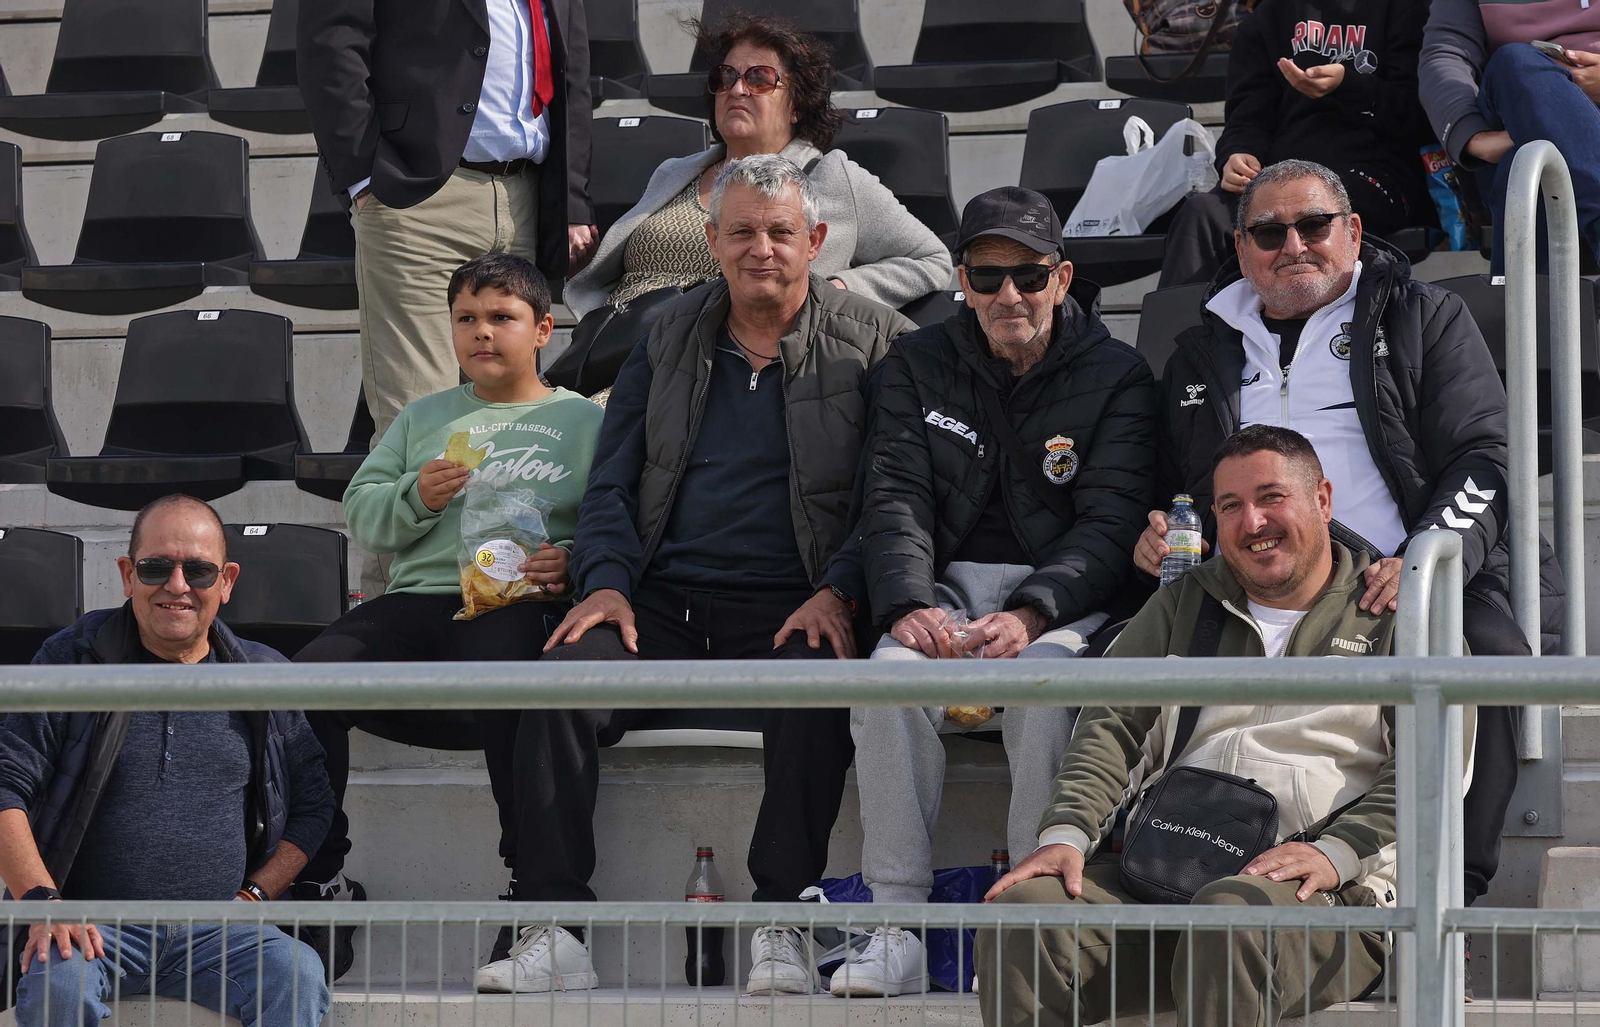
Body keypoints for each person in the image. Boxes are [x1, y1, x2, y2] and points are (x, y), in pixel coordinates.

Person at [481, 154, 913, 996]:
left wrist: (842, 587)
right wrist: (605, 582)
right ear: (712, 241)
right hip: (659, 602)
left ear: (816, 239)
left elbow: (894, 493)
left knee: (818, 687)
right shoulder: (666, 332)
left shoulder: (876, 340)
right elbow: (612, 481)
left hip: (794, 602)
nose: (761, 249)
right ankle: (556, 925)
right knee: (558, 677)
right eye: (741, 231)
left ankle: (784, 921)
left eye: (780, 232)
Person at [1139, 158, 1562, 911]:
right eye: (1269, 232)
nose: (1293, 246)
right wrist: (1161, 528)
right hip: (1248, 585)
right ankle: (1138, 873)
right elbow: (1178, 485)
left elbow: (1485, 456)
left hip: (1391, 576)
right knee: (1109, 667)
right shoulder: (1201, 351)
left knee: (1488, 654)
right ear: (1241, 248)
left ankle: (1449, 898)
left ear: (1355, 232)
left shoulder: (1421, 317)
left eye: (1313, 226)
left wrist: (1425, 560)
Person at [834, 186, 1156, 997]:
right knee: (886, 681)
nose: (1008, 294)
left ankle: (1031, 920)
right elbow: (894, 499)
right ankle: (896, 922)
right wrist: (908, 605)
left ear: (1063, 277)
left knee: (1047, 696)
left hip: (1067, 601)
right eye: (986, 276)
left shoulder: (1118, 374)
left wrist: (1031, 612)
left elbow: (1112, 523)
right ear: (961, 282)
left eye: (1029, 275)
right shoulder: (916, 363)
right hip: (943, 587)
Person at [980, 426, 1400, 1027]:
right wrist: (1066, 837)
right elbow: (1112, 728)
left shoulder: (1394, 613)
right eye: (1230, 506)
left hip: (1328, 891)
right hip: (1169, 866)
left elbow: (1431, 769)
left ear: (1323, 500)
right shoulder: (1184, 602)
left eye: (1271, 497)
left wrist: (1335, 854)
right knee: (1025, 915)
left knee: (1230, 915)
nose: (1252, 522)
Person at [289, 253, 605, 980]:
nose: (481, 332)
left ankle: (530, 888)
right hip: (418, 599)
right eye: (466, 318)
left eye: (501, 317)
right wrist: (416, 497)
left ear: (544, 330)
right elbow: (362, 513)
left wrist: (570, 561)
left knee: (514, 680)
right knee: (299, 683)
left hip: (518, 601)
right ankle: (319, 872)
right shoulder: (423, 416)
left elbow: (615, 520)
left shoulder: (583, 420)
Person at [6, 494, 334, 1027]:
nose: (177, 586)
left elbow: (314, 806)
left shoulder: (264, 676)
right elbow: (5, 786)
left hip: (221, 934)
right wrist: (43, 903)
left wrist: (254, 895)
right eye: (156, 567)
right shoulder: (72, 660)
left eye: (198, 570)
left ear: (226, 581)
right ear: (127, 575)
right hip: (93, 928)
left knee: (295, 974)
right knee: (58, 988)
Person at [297, 0, 594, 447]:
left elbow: (571, 64)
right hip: (419, 199)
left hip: (526, 198)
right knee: (423, 426)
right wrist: (364, 175)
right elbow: (331, 39)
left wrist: (570, 199)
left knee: (508, 428)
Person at [561, 13, 950, 353]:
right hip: (615, 351)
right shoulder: (674, 172)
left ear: (797, 104)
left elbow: (931, 259)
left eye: (760, 78)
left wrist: (837, 290)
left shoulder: (831, 176)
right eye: (726, 77)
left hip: (711, 366)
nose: (737, 89)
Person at [1158, 0, 1434, 287]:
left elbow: (1419, 117)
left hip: (1375, 172)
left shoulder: (1404, 9)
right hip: (1281, 176)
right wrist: (1238, 153)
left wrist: (1349, 86)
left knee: (1318, 215)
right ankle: (1189, 319)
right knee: (1204, 214)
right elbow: (1247, 116)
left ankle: (1317, 315)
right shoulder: (1269, 14)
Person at [1419, 0, 1600, 272]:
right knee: (1514, 61)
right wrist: (1473, 136)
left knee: (1520, 165)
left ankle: (1524, 300)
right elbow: (1446, 54)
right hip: (1515, 116)